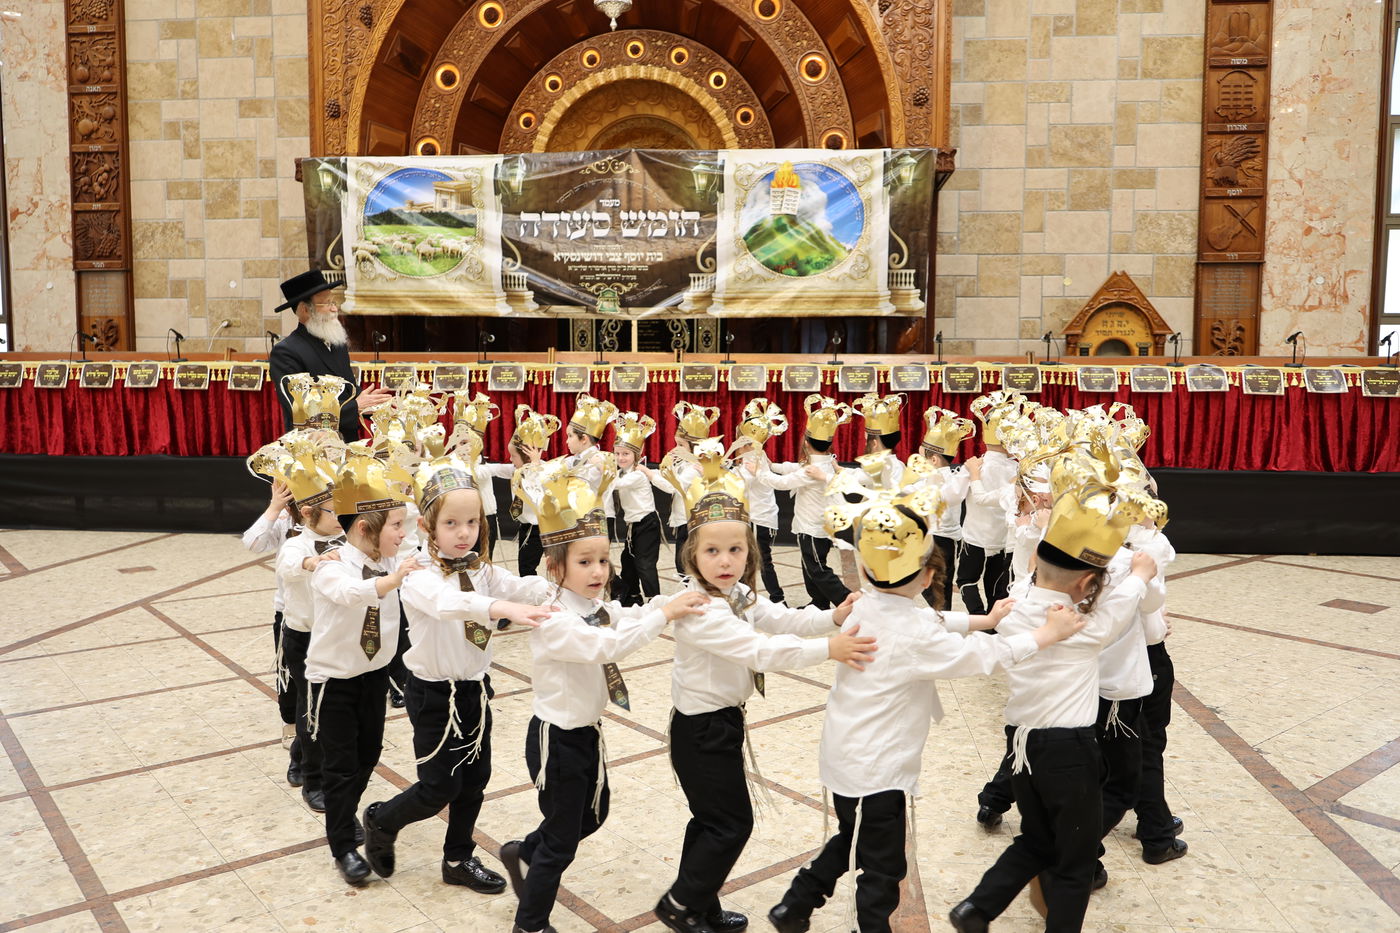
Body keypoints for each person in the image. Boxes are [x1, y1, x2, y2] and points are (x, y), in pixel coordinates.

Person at [770, 481, 1084, 933]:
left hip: (847, 755)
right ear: (926, 578)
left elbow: (928, 620)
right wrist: (1042, 637)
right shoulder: (911, 629)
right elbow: (979, 657)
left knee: (849, 838)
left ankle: (795, 906)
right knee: (883, 866)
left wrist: (986, 620)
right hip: (876, 768)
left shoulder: (868, 605)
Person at [654, 437, 874, 933]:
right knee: (732, 824)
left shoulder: (735, 593)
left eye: (735, 548)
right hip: (701, 731)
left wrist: (831, 619)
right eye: (712, 550)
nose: (725, 559)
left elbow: (776, 618)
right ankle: (680, 904)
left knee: (711, 822)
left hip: (723, 724)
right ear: (691, 555)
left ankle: (701, 905)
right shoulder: (700, 610)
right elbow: (760, 650)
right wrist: (829, 650)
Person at [950, 446, 1166, 933]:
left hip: (1021, 745)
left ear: (1032, 567)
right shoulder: (1075, 627)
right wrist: (1137, 576)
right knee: (1073, 860)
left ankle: (978, 908)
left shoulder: (1017, 607)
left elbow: (1038, 578)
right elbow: (1113, 618)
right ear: (1086, 584)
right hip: (1067, 750)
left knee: (1036, 839)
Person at [498, 456, 709, 933]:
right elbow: (606, 645)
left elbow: (621, 617)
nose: (598, 571)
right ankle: (530, 924)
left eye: (602, 561)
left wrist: (661, 604)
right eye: (585, 562)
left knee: (591, 818)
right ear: (555, 568)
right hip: (558, 740)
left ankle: (521, 852)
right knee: (562, 841)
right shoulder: (554, 619)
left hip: (587, 736)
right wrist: (665, 617)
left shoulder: (592, 604)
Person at [362, 444, 554, 894]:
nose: (463, 533)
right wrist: (500, 606)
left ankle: (457, 858)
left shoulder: (480, 568)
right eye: (451, 524)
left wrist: (554, 581)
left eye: (472, 523)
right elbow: (451, 605)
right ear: (427, 525)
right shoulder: (418, 572)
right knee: (437, 787)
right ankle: (381, 819)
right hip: (431, 693)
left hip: (473, 689)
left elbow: (516, 586)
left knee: (474, 782)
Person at [306, 445, 420, 886]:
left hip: (372, 674)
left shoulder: (390, 557)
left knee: (368, 753)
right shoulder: (333, 567)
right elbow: (352, 594)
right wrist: (391, 581)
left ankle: (345, 810)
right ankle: (342, 845)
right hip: (333, 679)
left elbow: (419, 552)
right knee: (338, 764)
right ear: (365, 528)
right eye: (394, 526)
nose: (401, 533)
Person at [268, 270, 391, 440]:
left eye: (334, 302)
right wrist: (356, 407)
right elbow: (302, 410)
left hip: (346, 442)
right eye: (327, 303)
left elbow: (348, 392)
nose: (335, 309)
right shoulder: (286, 352)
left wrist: (377, 404)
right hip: (312, 448)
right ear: (305, 310)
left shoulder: (336, 344)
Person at [758, 394, 854, 609]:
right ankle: (819, 602)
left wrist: (761, 470)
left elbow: (781, 483)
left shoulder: (813, 470)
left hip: (813, 527)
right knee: (809, 565)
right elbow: (792, 467)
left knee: (817, 568)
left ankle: (847, 601)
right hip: (813, 526)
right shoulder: (824, 462)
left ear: (807, 443)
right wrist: (771, 464)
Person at [956, 390, 1025, 614]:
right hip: (1002, 539)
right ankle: (993, 623)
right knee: (996, 585)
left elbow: (964, 495)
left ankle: (978, 617)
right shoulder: (1017, 468)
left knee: (966, 580)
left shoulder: (978, 465)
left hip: (975, 535)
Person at [909, 406, 975, 610]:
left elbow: (948, 496)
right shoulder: (936, 477)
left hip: (938, 539)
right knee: (939, 582)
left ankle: (941, 618)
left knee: (933, 584)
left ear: (934, 460)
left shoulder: (947, 480)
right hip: (942, 539)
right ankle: (942, 617)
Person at [651, 402, 716, 578]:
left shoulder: (695, 467)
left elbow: (672, 486)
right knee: (682, 565)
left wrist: (650, 474)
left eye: (681, 445)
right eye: (676, 443)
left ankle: (697, 598)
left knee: (687, 566)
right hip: (683, 520)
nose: (676, 448)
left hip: (692, 521)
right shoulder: (685, 462)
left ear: (694, 447)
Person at [734, 398, 789, 604]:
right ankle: (744, 597)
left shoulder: (754, 459)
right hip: (756, 517)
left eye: (741, 441)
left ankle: (777, 599)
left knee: (760, 561)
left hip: (759, 519)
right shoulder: (754, 457)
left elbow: (742, 482)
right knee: (748, 560)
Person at [610, 411, 662, 607]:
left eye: (626, 454)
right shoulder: (621, 473)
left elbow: (618, 485)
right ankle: (633, 595)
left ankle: (655, 600)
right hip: (633, 526)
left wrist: (602, 472)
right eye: (617, 453)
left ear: (636, 455)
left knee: (645, 564)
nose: (621, 457)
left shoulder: (637, 474)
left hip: (647, 523)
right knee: (628, 561)